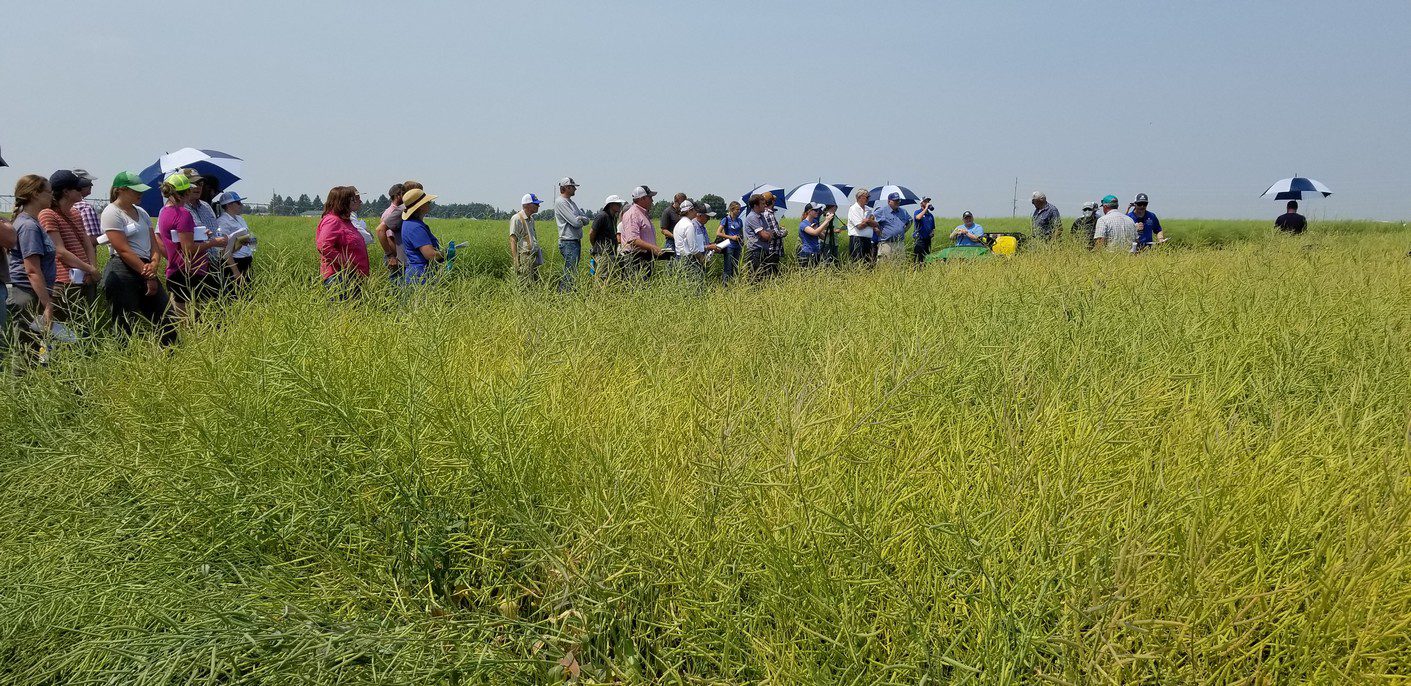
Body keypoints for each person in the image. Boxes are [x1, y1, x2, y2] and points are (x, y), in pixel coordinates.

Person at [100, 171, 176, 345]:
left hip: (146, 267)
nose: (140, 193)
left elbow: (153, 245)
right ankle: (125, 365)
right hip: (123, 270)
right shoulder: (112, 213)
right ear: (121, 190)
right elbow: (123, 249)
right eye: (135, 190)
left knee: (167, 318)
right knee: (125, 323)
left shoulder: (141, 212)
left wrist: (154, 264)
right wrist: (148, 274)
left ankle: (169, 357)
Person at [6, 175, 58, 361]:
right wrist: (47, 304)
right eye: (48, 192)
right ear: (35, 194)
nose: (52, 196)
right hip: (28, 295)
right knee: (26, 355)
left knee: (34, 352)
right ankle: (20, 390)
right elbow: (32, 270)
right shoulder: (28, 226)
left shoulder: (32, 223)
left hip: (34, 293)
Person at [157, 172, 221, 317]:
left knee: (182, 320)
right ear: (185, 192)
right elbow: (189, 249)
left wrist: (200, 235)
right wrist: (212, 243)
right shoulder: (184, 214)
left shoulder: (165, 212)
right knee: (197, 320)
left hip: (175, 271)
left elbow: (177, 241)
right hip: (191, 271)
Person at [39, 170, 98, 313]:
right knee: (65, 329)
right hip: (64, 281)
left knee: (85, 324)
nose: (82, 191)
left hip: (85, 277)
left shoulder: (76, 214)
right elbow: (60, 251)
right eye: (78, 188)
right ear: (66, 192)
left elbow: (87, 244)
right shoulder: (48, 214)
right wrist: (90, 269)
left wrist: (92, 270)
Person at [315, 186, 371, 295]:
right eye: (352, 199)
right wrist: (347, 263)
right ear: (343, 201)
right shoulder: (332, 221)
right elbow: (324, 246)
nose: (356, 201)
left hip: (353, 276)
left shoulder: (345, 220)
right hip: (340, 277)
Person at [554, 177, 592, 292]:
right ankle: (564, 295)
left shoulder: (571, 203)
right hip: (568, 241)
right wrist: (580, 219)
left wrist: (580, 218)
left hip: (574, 241)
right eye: (573, 187)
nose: (575, 189)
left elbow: (587, 219)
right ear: (566, 188)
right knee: (570, 271)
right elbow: (575, 223)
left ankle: (567, 294)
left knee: (572, 270)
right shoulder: (560, 202)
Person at [399, 187, 444, 284]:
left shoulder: (410, 223)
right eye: (427, 202)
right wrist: (446, 254)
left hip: (417, 273)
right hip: (421, 275)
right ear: (420, 206)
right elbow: (430, 255)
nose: (429, 203)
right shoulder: (416, 227)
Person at [214, 191, 256, 290]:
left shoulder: (240, 219)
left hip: (247, 260)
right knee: (235, 294)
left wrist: (249, 240)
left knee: (248, 293)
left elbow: (244, 237)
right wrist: (235, 271)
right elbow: (224, 249)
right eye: (238, 202)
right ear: (229, 205)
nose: (241, 205)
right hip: (235, 262)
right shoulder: (222, 222)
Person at [619, 186, 662, 279]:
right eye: (650, 197)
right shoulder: (633, 214)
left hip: (645, 257)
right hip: (636, 259)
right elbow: (633, 240)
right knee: (638, 287)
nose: (652, 200)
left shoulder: (642, 213)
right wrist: (654, 248)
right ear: (642, 199)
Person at [673, 200, 720, 282]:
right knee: (696, 284)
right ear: (690, 210)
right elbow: (693, 249)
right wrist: (703, 260)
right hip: (689, 259)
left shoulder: (678, 224)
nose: (695, 212)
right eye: (694, 210)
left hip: (680, 256)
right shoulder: (689, 225)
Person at [375, 182, 408, 279]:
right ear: (398, 196)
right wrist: (393, 256)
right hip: (395, 257)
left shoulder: (398, 210)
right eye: (404, 194)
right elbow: (388, 237)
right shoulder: (391, 213)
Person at [510, 193, 544, 285]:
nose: (538, 206)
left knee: (535, 282)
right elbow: (513, 239)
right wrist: (516, 260)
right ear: (528, 205)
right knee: (525, 283)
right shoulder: (517, 218)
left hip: (534, 255)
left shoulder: (531, 219)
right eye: (536, 204)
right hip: (525, 256)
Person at [589, 194, 625, 281]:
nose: (620, 206)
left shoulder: (613, 217)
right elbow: (591, 233)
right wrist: (596, 246)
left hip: (611, 252)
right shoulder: (602, 216)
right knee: (602, 277)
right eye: (617, 204)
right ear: (611, 205)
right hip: (603, 253)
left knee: (611, 277)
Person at [71, 169, 103, 264]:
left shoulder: (57, 207)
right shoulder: (85, 207)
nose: (91, 185)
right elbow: (92, 240)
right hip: (85, 260)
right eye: (88, 183)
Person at [874, 192, 913, 261]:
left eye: (898, 200)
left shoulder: (903, 211)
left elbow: (910, 221)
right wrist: (876, 229)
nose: (897, 202)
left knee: (900, 265)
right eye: (895, 201)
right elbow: (870, 219)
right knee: (884, 265)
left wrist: (904, 230)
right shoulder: (882, 211)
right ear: (889, 201)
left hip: (899, 243)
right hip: (886, 243)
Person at [846, 188, 879, 265]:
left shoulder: (869, 209)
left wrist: (867, 221)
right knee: (857, 262)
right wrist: (869, 221)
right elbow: (860, 226)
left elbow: (876, 224)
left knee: (868, 263)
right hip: (857, 239)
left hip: (867, 239)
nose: (868, 199)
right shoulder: (853, 209)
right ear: (860, 197)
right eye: (866, 197)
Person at [715, 200, 745, 284]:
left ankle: (735, 283)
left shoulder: (739, 220)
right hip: (729, 245)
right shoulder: (726, 220)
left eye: (739, 209)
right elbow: (718, 233)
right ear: (732, 210)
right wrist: (731, 237)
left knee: (736, 266)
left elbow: (741, 232)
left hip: (738, 246)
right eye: (737, 209)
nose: (739, 211)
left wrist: (741, 239)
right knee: (728, 267)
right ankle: (725, 285)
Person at [797, 203, 826, 267]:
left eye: (818, 210)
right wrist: (826, 221)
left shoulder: (815, 222)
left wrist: (819, 229)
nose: (818, 212)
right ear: (809, 211)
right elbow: (814, 233)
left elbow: (823, 237)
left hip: (816, 252)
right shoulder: (803, 224)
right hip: (807, 253)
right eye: (816, 210)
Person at [912, 197, 936, 263]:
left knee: (927, 258)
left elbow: (933, 227)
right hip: (919, 239)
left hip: (927, 240)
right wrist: (925, 209)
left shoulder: (930, 215)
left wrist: (932, 233)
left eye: (928, 201)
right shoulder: (917, 212)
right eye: (925, 201)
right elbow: (918, 218)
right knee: (918, 259)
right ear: (921, 203)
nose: (927, 203)